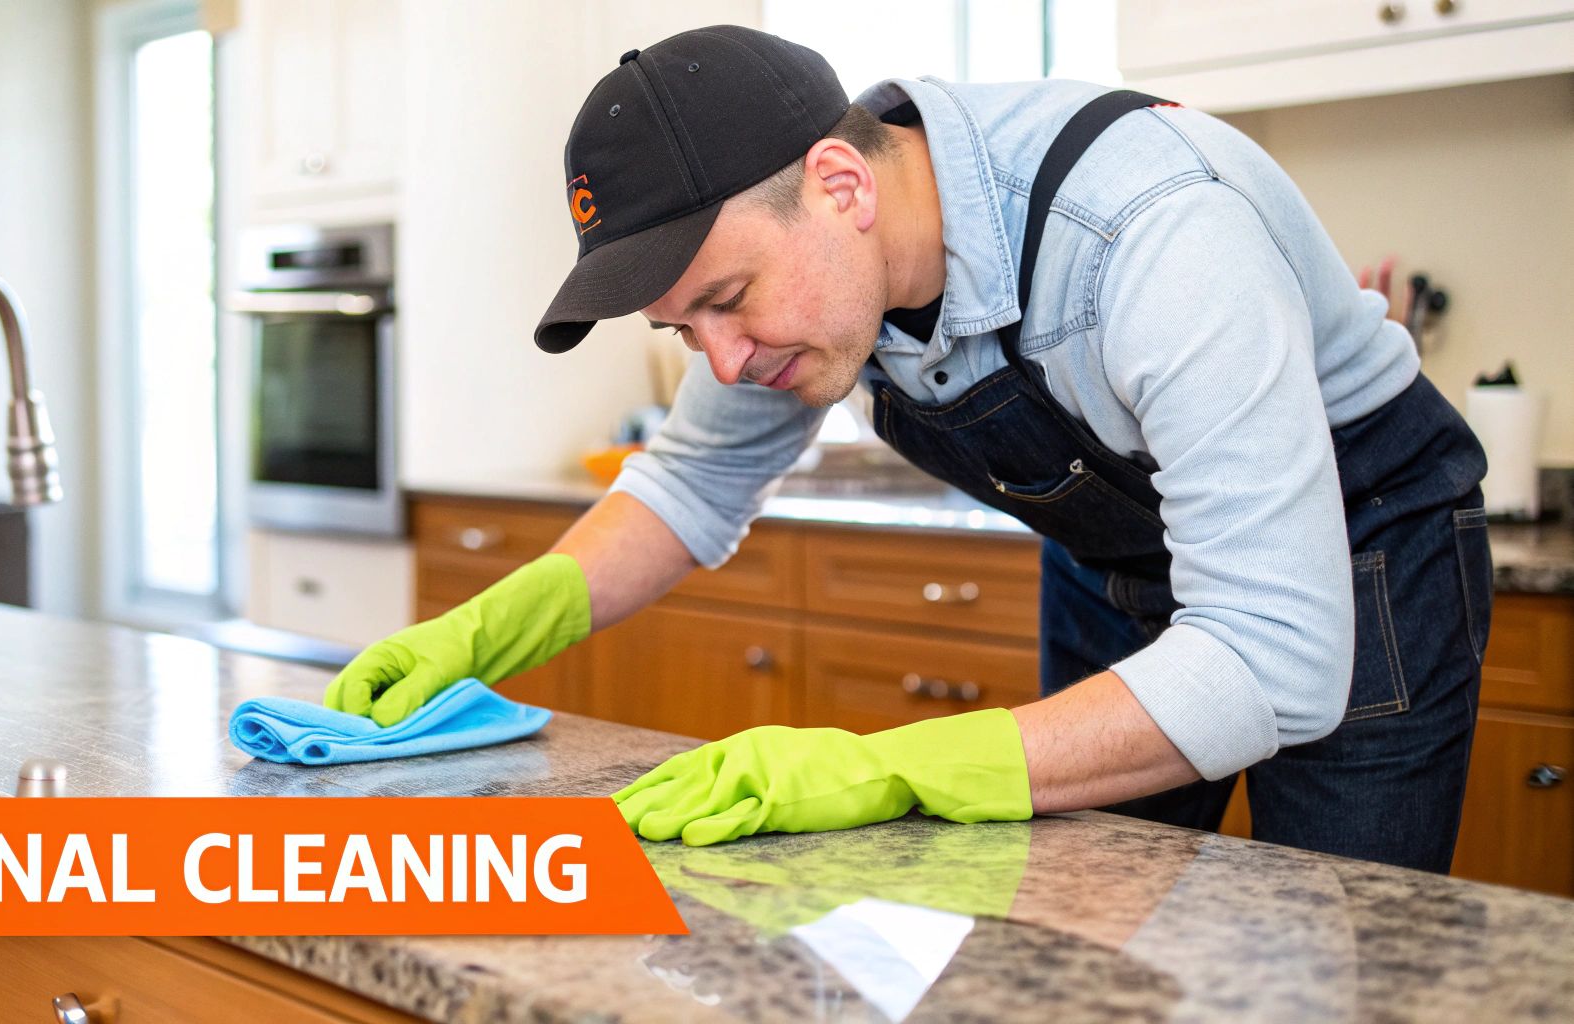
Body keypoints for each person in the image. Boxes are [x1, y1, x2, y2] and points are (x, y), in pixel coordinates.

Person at [326, 26, 1493, 871]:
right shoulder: (818, 268)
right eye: (686, 326)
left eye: (728, 297)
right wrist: (477, 635)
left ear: (839, 184)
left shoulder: (1150, 234)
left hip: (1354, 557)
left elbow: (1267, 655)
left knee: (1330, 942)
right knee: (1103, 928)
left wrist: (882, 770)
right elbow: (690, 481)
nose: (722, 360)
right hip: (1114, 565)